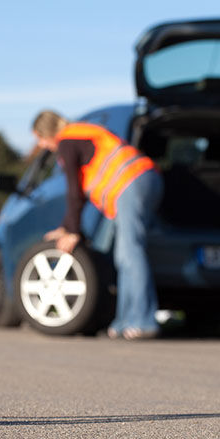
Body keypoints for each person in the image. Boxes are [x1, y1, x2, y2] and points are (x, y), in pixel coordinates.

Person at [32, 110, 164, 340]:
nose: (42, 145)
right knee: (124, 254)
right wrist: (67, 227)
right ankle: (124, 322)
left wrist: (72, 231)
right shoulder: (80, 134)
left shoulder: (66, 141)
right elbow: (80, 194)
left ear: (46, 133)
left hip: (131, 181)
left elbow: (74, 191)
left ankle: (143, 321)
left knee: (130, 251)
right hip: (144, 179)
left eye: (40, 139)